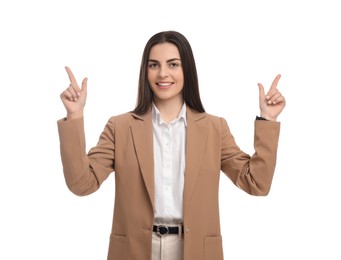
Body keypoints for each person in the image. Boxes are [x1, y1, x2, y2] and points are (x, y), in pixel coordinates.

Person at [58, 30, 285, 260]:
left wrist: (268, 120)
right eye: (154, 65)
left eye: (173, 64)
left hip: (195, 251)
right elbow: (81, 183)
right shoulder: (120, 127)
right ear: (144, 71)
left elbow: (256, 183)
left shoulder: (214, 128)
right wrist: (74, 116)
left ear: (187, 69)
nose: (163, 73)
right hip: (135, 251)